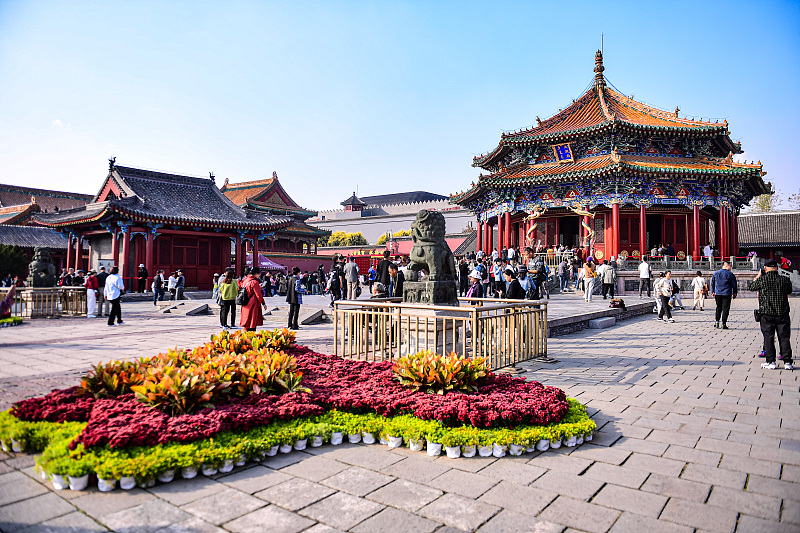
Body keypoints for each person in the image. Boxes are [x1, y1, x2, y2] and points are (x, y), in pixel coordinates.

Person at [749, 259, 793, 370]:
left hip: (766, 313)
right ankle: (787, 362)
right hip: (782, 313)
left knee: (768, 337)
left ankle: (770, 361)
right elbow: (789, 291)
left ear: (765, 268)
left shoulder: (762, 280)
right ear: (777, 268)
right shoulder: (785, 279)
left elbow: (751, 287)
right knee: (784, 337)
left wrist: (757, 277)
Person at [711, 261, 738, 329]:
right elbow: (734, 284)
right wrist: (735, 292)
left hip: (718, 293)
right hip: (727, 293)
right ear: (726, 266)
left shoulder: (716, 273)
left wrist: (713, 291)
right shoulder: (730, 274)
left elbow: (712, 283)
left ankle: (717, 322)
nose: (730, 267)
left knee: (718, 307)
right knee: (725, 309)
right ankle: (723, 323)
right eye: (730, 266)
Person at [240, 266, 266, 332]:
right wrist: (263, 303)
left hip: (245, 302)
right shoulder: (254, 282)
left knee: (246, 320)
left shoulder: (245, 280)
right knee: (252, 321)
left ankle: (244, 336)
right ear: (256, 274)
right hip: (253, 304)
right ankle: (251, 336)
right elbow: (258, 295)